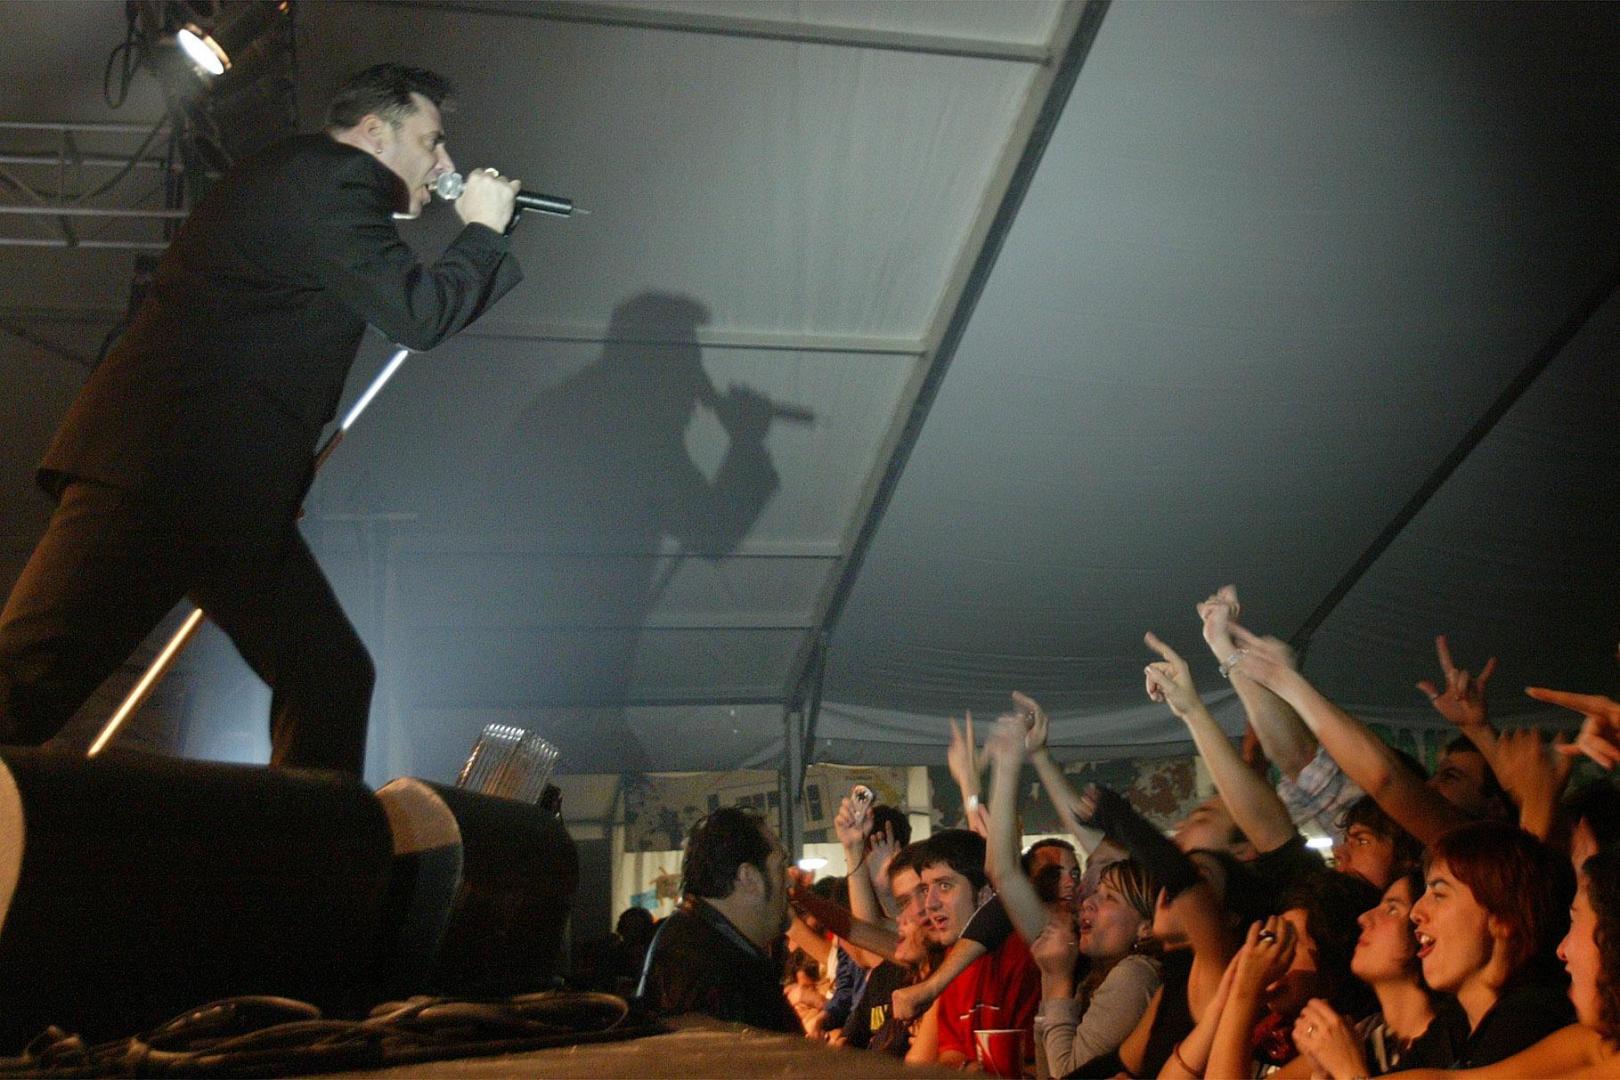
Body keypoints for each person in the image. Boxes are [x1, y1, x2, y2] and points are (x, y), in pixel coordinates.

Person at [0, 63, 522, 775]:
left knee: (331, 680)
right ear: (375, 132)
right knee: (26, 681)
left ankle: (301, 863)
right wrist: (484, 234)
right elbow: (418, 313)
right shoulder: (334, 175)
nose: (445, 164)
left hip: (222, 497)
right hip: (161, 475)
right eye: (432, 141)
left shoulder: (313, 186)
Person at [1399, 821, 1575, 1069]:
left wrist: (1348, 1069)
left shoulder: (1535, 1018)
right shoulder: (1454, 1025)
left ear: (1503, 917)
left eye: (1439, 894)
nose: (1415, 912)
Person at [634, 807, 800, 1032]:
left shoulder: (693, 940)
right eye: (781, 867)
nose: (789, 882)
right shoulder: (715, 971)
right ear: (748, 877)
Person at [1291, 869, 1438, 1077]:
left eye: (1392, 909)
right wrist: (1321, 1072)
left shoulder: (1450, 1047)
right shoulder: (1364, 1036)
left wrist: (1347, 1070)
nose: (1364, 918)